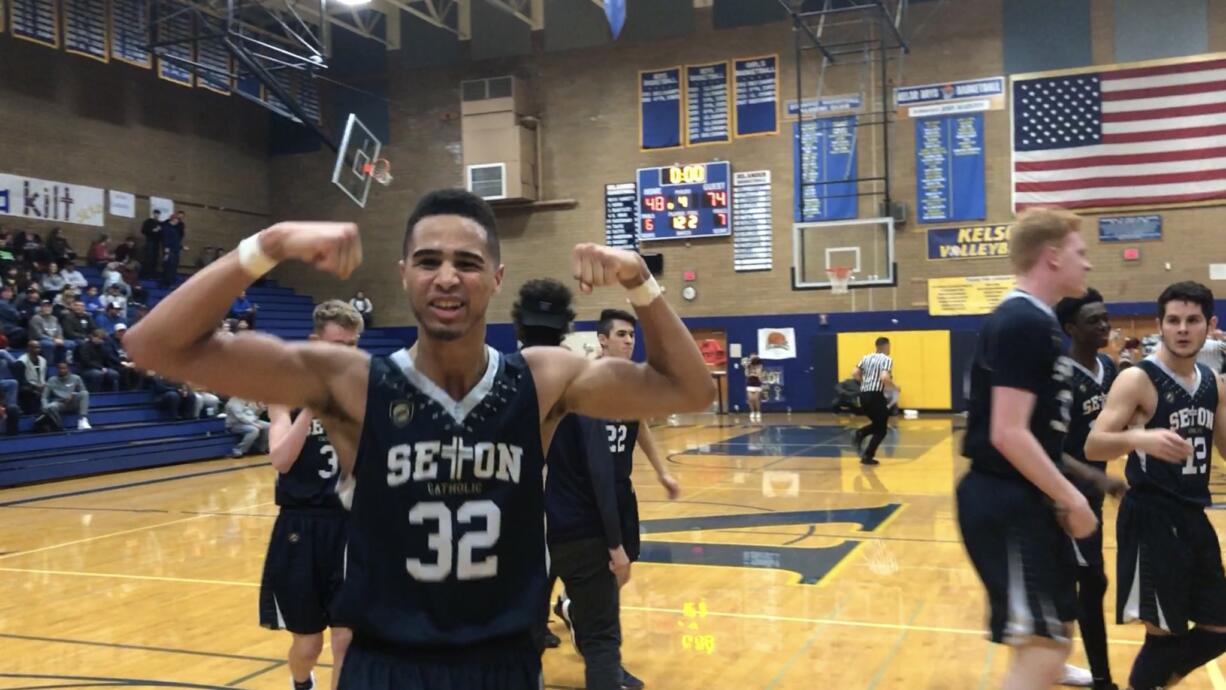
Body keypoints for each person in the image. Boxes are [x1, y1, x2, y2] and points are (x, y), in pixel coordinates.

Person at [123, 188, 714, 690]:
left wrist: (640, 282)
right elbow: (152, 346)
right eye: (428, 260)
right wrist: (266, 246)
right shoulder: (351, 382)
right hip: (387, 666)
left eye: (468, 262)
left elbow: (689, 388)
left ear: (496, 278)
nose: (448, 277)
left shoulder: (542, 378)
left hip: (504, 664)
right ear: (404, 272)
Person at [956, 208, 1096, 690]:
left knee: (1053, 635)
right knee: (1042, 647)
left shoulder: (1040, 323)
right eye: (1081, 253)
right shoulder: (1022, 323)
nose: (1088, 264)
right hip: (1004, 499)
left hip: (1024, 498)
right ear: (1052, 257)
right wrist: (1071, 497)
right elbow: (1008, 433)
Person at [1086, 281, 1226, 690]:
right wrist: (1139, 438)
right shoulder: (1137, 379)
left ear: (1209, 325)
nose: (1183, 328)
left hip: (1193, 517)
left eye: (1193, 320)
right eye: (1174, 320)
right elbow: (1093, 445)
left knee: (1219, 627)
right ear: (1161, 326)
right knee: (1163, 635)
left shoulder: (1212, 384)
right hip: (1150, 518)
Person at [511, 279, 623, 686]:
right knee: (600, 641)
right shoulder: (582, 379)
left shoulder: (497, 376)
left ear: (517, 324)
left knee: (516, 649)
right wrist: (615, 541)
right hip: (579, 534)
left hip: (514, 538)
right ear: (567, 327)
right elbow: (599, 468)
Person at [259, 300, 363, 690]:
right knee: (307, 643)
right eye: (337, 344)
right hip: (300, 527)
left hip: (349, 524)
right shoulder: (284, 389)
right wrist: (312, 411)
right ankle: (302, 684)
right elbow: (281, 460)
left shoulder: (362, 391)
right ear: (314, 341)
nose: (345, 354)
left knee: (346, 638)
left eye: (352, 345)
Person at [1054, 288, 1120, 690]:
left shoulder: (1110, 369)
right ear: (1070, 328)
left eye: (1104, 318)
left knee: (1070, 579)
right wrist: (1099, 477)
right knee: (1091, 581)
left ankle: (1055, 660)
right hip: (1063, 495)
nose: (1104, 326)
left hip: (1092, 495)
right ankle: (1102, 679)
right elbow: (1048, 450)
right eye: (1093, 321)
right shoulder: (1059, 376)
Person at [852, 337, 893, 466]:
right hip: (876, 395)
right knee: (882, 430)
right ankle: (867, 454)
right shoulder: (886, 359)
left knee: (878, 424)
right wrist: (894, 387)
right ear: (886, 346)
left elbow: (854, 373)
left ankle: (861, 433)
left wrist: (864, 383)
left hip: (863, 395)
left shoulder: (866, 357)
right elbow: (884, 377)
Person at [42, 361, 91, 430]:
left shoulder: (76, 378)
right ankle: (59, 427)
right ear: (57, 369)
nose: (62, 370)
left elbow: (83, 391)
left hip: (73, 402)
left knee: (85, 393)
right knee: (51, 406)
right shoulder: (51, 380)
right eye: (60, 368)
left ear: (68, 369)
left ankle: (82, 420)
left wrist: (73, 394)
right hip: (60, 404)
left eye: (64, 368)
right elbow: (44, 397)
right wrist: (45, 407)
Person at [141, 210, 162, 278]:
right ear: (153, 214)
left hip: (157, 243)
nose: (157, 215)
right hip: (150, 241)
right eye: (156, 214)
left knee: (155, 258)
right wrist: (152, 230)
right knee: (149, 257)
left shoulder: (160, 223)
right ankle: (147, 273)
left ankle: (153, 273)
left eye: (158, 214)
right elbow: (143, 230)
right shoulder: (148, 221)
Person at [745, 355, 763, 424]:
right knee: (750, 399)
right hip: (750, 383)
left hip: (757, 383)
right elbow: (746, 374)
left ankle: (758, 412)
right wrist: (747, 367)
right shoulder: (748, 366)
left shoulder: (759, 366)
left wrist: (754, 374)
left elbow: (759, 375)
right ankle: (752, 412)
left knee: (756, 399)